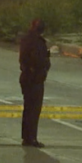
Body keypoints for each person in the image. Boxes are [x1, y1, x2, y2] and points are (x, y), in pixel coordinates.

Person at [19, 18, 50, 148]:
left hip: (26, 77)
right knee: (34, 109)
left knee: (28, 108)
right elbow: (39, 60)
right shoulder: (38, 42)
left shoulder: (26, 39)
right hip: (34, 78)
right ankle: (31, 137)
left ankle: (26, 136)